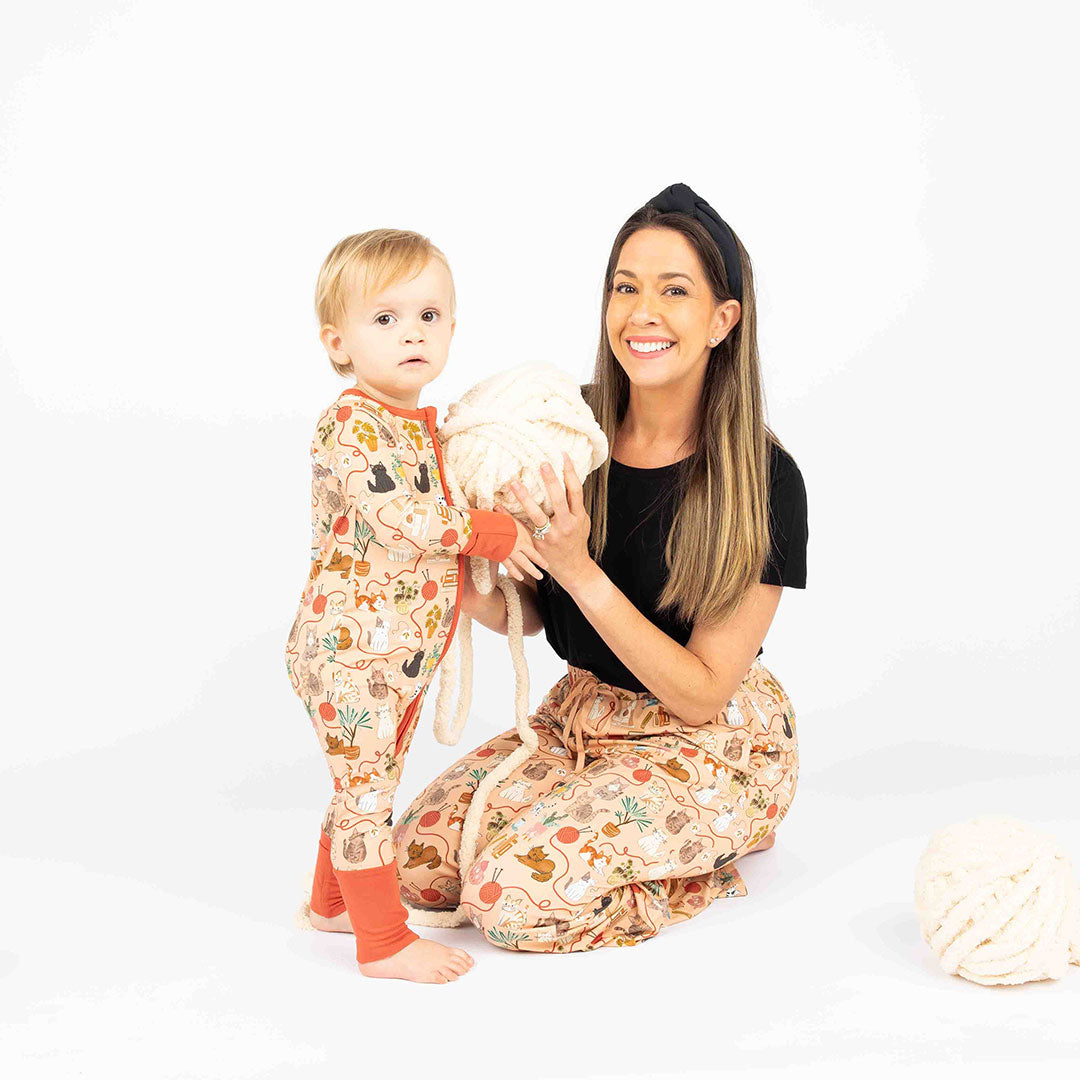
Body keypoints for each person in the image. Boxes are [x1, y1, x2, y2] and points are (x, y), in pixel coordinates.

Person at [392, 183, 808, 952]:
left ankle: (718, 838)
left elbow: (700, 692)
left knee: (508, 902)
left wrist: (580, 570)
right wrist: (455, 557)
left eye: (674, 291)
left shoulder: (763, 478)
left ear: (724, 320)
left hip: (706, 738)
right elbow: (538, 612)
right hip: (584, 712)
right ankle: (612, 820)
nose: (641, 312)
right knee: (414, 865)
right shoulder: (565, 427)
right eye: (626, 287)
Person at [284, 229, 547, 982]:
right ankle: (382, 942)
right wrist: (490, 534)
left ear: (453, 330)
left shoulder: (419, 427)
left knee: (368, 782)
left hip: (390, 658)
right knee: (366, 791)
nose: (412, 334)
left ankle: (332, 904)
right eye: (386, 319)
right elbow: (398, 515)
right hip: (346, 652)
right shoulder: (351, 423)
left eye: (430, 317)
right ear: (339, 343)